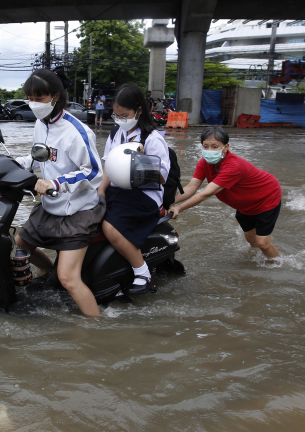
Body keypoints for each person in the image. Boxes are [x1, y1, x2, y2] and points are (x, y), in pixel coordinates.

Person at [15, 69, 105, 317]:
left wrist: (56, 182)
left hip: (77, 208)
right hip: (51, 202)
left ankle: (99, 327)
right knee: (21, 243)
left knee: (69, 279)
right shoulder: (40, 124)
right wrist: (14, 163)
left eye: (39, 98)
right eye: (30, 97)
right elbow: (39, 157)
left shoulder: (77, 131)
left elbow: (93, 172)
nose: (33, 103)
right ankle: (49, 272)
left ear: (55, 97)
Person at [98, 83, 170, 294]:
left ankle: (142, 274)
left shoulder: (152, 139)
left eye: (125, 114)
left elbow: (163, 177)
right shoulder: (115, 133)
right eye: (116, 114)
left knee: (111, 227)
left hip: (144, 195)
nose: (120, 119)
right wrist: (100, 192)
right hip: (118, 190)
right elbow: (108, 167)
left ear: (139, 110)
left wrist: (140, 160)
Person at [170, 126, 282, 259]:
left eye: (215, 146)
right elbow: (191, 187)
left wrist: (179, 208)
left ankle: (277, 265)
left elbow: (206, 193)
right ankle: (257, 262)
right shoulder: (204, 163)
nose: (209, 150)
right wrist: (167, 203)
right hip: (245, 204)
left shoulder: (233, 166)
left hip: (266, 198)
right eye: (205, 146)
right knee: (251, 239)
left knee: (263, 243)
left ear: (226, 147)